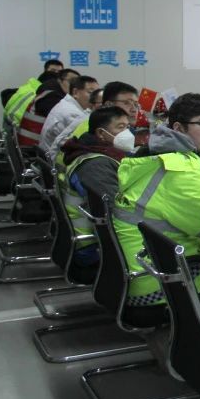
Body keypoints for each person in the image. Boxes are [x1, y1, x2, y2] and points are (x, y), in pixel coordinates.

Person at [112, 93, 200, 308]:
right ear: (179, 128)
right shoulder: (177, 170)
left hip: (148, 273)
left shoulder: (157, 155)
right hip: (162, 286)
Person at [58, 106, 136, 278]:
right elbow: (117, 211)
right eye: (120, 127)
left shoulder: (95, 152)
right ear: (101, 133)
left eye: (128, 127)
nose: (127, 133)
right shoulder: (95, 165)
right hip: (91, 247)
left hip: (94, 238)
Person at [51, 81, 141, 157]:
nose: (134, 109)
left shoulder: (116, 125)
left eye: (136, 104)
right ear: (109, 105)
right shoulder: (90, 127)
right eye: (126, 103)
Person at [40, 75, 99, 158]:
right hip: (53, 160)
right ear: (75, 92)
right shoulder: (73, 113)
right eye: (91, 92)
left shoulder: (66, 104)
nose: (95, 98)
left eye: (97, 94)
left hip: (47, 156)